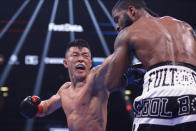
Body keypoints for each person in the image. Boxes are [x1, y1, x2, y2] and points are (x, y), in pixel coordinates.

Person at [111, 0, 196, 131]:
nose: (117, 26)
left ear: (131, 11)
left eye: (117, 18)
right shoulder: (186, 27)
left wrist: (132, 77)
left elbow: (114, 82)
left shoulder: (128, 33)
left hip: (156, 98)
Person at [20, 39, 136, 131]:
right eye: (75, 55)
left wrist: (124, 48)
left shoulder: (96, 80)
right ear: (66, 63)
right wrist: (33, 107)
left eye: (85, 56)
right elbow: (46, 108)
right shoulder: (65, 89)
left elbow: (110, 66)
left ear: (90, 63)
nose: (81, 59)